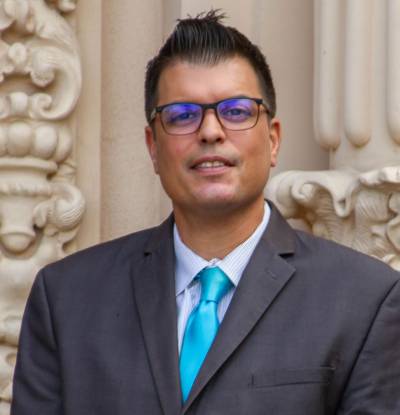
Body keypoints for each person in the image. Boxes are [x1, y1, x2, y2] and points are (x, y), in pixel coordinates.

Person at [11, 10, 400, 415]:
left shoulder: (365, 300)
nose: (211, 131)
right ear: (153, 148)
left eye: (235, 111)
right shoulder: (67, 300)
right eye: (182, 115)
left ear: (272, 140)